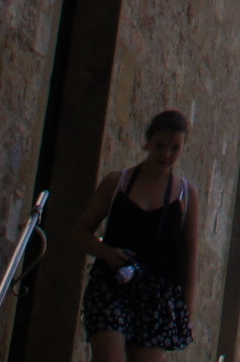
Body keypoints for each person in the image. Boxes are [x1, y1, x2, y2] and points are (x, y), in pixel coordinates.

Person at [80, 109, 199, 359]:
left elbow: (189, 257)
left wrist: (185, 312)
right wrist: (107, 253)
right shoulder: (117, 183)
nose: (166, 155)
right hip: (112, 284)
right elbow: (81, 233)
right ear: (147, 142)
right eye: (160, 145)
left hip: (158, 296)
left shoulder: (186, 195)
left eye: (175, 148)